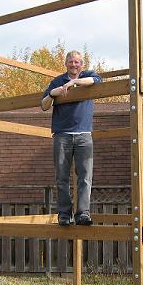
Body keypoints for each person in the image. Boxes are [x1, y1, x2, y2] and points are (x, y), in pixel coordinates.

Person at [41, 50, 102, 226]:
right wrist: (54, 93)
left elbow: (96, 80)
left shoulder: (87, 76)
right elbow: (44, 105)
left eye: (77, 62)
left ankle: (82, 213)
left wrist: (74, 83)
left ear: (81, 65)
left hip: (84, 135)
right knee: (62, 177)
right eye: (71, 62)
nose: (74, 65)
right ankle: (64, 214)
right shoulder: (57, 81)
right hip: (62, 135)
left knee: (85, 176)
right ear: (66, 63)